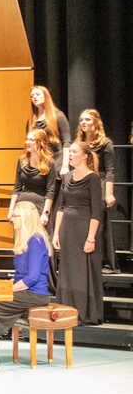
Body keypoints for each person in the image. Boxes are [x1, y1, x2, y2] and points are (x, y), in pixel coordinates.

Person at [0, 201, 52, 368]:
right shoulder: (24, 240)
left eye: (14, 216)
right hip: (25, 291)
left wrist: (7, 289)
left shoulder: (36, 240)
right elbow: (19, 276)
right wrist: (2, 287)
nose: (10, 219)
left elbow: (32, 278)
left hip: (35, 294)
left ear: (25, 218)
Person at [52, 141, 104, 324]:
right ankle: (66, 311)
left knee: (82, 271)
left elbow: (97, 212)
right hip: (67, 229)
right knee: (67, 270)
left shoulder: (93, 178)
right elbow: (61, 207)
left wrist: (91, 238)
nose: (70, 155)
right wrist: (56, 233)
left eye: (74, 152)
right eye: (70, 152)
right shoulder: (66, 177)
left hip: (84, 229)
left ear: (85, 156)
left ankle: (83, 312)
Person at [76, 109, 118, 273]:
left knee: (99, 222)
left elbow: (110, 171)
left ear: (96, 122)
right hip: (82, 182)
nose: (83, 123)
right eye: (81, 120)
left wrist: (108, 193)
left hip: (98, 182)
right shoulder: (79, 143)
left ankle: (104, 261)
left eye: (87, 120)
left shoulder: (105, 143)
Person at [8, 129, 58, 222]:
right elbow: (16, 188)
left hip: (39, 207)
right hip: (22, 206)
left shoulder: (50, 163)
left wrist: (45, 213)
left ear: (40, 143)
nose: (27, 142)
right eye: (27, 139)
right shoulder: (22, 161)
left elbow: (50, 191)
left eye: (31, 140)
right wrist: (11, 210)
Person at [26, 85, 70, 173]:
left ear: (45, 96)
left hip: (57, 161)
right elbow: (29, 144)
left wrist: (65, 165)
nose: (34, 97)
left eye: (37, 94)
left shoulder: (58, 116)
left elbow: (66, 142)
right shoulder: (31, 120)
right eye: (32, 96)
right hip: (39, 162)